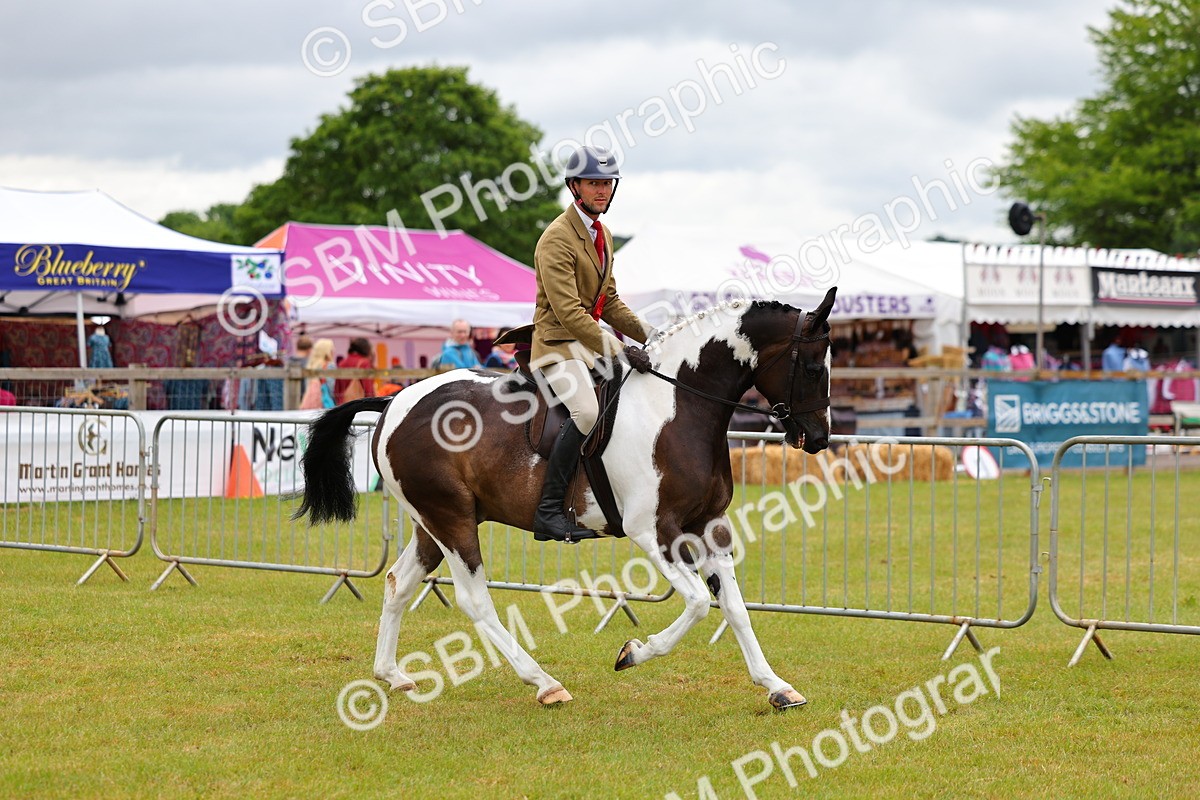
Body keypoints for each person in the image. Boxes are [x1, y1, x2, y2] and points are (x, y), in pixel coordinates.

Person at [529, 145, 654, 543]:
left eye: (606, 183)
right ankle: (548, 511)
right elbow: (568, 312)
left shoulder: (603, 235)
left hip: (589, 342)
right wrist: (618, 349)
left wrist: (652, 336)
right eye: (594, 183)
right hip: (556, 344)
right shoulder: (556, 239)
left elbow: (609, 301)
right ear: (575, 186)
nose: (602, 190)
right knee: (586, 412)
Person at [334, 337, 376, 404]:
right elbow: (369, 390)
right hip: (359, 406)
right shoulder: (364, 363)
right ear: (366, 349)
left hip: (342, 406)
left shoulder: (342, 364)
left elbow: (337, 390)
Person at [300, 338, 335, 410]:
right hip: (324, 404)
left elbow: (307, 386)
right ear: (327, 351)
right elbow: (331, 387)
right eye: (332, 349)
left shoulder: (311, 365)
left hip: (311, 404)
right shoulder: (329, 365)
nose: (333, 351)